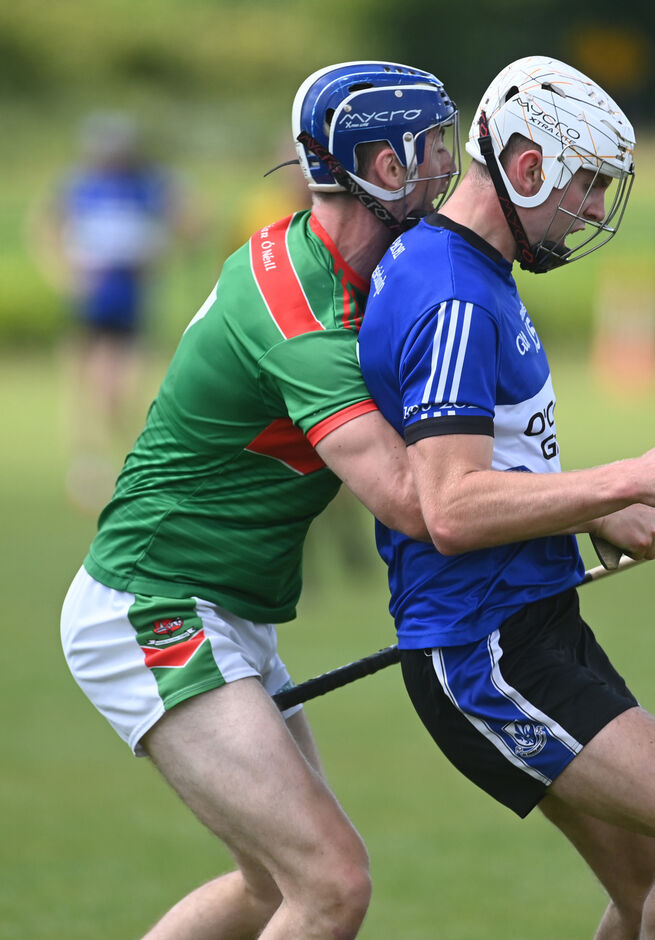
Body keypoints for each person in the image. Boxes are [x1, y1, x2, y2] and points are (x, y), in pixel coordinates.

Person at [359, 56, 655, 938]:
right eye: (587, 184)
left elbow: (491, 468)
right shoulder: (454, 298)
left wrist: (595, 509)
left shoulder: (462, 268)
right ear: (527, 168)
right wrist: (628, 477)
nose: (593, 209)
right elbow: (451, 508)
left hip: (535, 622)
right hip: (486, 650)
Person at [60, 61, 459, 938]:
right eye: (429, 150)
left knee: (275, 888)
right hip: (155, 604)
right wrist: (604, 500)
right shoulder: (306, 320)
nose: (445, 169)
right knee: (330, 884)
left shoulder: (338, 268)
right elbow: (412, 501)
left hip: (216, 607)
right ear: (380, 167)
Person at [31, 111, 191, 510]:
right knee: (84, 383)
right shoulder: (80, 185)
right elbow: (45, 225)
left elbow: (188, 218)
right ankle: (88, 464)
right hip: (90, 301)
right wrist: (63, 271)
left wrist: (161, 251)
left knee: (123, 388)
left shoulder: (147, 185)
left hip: (131, 300)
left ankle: (119, 461)